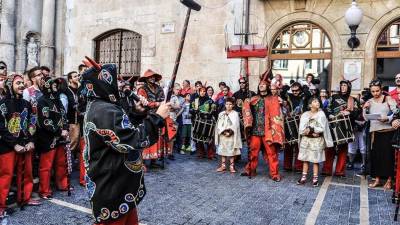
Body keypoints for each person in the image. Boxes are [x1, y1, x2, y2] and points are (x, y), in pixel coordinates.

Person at [81, 59, 170, 225]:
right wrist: (157, 117)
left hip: (121, 184)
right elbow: (130, 141)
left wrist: (136, 113)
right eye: (115, 80)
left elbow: (123, 129)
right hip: (112, 185)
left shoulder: (105, 105)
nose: (120, 84)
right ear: (104, 81)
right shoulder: (103, 110)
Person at [0, 74, 41, 218]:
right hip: (7, 147)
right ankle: (1, 206)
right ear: (10, 84)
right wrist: (14, 144)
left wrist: (31, 141)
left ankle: (25, 198)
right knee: (5, 176)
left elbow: (32, 123)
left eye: (23, 83)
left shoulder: (26, 103)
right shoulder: (3, 104)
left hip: (25, 144)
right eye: (18, 83)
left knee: (26, 173)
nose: (21, 85)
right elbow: (2, 128)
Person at [240, 77, 284, 182]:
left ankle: (274, 174)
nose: (261, 85)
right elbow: (246, 108)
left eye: (263, 84)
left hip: (268, 131)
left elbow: (281, 110)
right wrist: (246, 102)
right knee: (253, 152)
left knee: (271, 153)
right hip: (255, 130)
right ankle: (250, 170)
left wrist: (282, 103)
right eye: (260, 84)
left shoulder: (273, 99)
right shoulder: (254, 99)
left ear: (267, 87)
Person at [36, 77, 69, 199]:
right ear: (47, 85)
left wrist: (65, 128)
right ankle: (44, 190)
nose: (56, 86)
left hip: (60, 137)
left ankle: (63, 184)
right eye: (53, 84)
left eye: (56, 84)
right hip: (47, 138)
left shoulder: (57, 99)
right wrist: (60, 131)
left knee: (61, 163)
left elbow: (63, 115)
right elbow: (45, 121)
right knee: (46, 166)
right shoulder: (42, 101)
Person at [322, 80, 360, 177]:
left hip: (346, 127)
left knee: (343, 149)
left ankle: (340, 171)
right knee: (330, 147)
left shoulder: (353, 100)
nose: (343, 87)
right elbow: (325, 107)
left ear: (349, 87)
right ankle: (327, 169)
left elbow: (358, 112)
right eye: (341, 85)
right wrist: (329, 114)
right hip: (332, 125)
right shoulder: (333, 97)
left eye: (345, 85)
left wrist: (350, 113)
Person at [364, 79, 396, 189]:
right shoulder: (370, 101)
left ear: (381, 89)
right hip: (375, 132)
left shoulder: (388, 99)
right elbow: (365, 118)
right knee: (376, 156)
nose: (375, 93)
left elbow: (396, 112)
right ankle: (377, 179)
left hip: (388, 132)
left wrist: (387, 118)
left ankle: (389, 180)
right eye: (373, 91)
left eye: (377, 91)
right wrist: (365, 109)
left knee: (388, 156)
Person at [297, 97, 333, 187]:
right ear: (310, 105)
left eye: (318, 101)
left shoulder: (321, 114)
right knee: (305, 159)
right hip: (306, 139)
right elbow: (302, 128)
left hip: (317, 141)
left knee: (315, 160)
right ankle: (303, 177)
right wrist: (307, 131)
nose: (317, 103)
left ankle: (315, 178)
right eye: (315, 101)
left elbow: (322, 127)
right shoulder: (305, 114)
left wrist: (312, 129)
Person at [137, 69, 170, 167]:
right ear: (146, 79)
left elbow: (162, 100)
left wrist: (162, 104)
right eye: (150, 77)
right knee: (146, 136)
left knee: (157, 137)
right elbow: (143, 102)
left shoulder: (159, 88)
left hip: (159, 116)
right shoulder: (142, 89)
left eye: (153, 77)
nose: (152, 78)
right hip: (147, 116)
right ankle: (142, 160)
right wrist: (156, 104)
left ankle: (154, 160)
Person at [281, 82, 307, 172]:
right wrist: (288, 86)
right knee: (288, 144)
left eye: (297, 90)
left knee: (299, 145)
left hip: (301, 122)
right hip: (290, 122)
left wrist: (303, 88)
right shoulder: (289, 96)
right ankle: (287, 165)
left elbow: (309, 93)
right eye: (293, 90)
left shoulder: (304, 97)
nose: (295, 92)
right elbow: (282, 92)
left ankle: (299, 166)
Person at [215, 97, 242, 173]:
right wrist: (223, 132)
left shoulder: (235, 114)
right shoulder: (221, 114)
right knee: (223, 150)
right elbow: (219, 125)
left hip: (231, 135)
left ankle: (231, 166)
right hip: (223, 135)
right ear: (225, 104)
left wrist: (229, 132)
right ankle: (223, 166)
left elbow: (235, 125)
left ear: (233, 105)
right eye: (227, 104)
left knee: (231, 151)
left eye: (230, 104)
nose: (228, 106)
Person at [190, 86, 217, 159]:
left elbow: (214, 110)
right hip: (198, 121)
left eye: (204, 91)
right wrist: (193, 110)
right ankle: (201, 153)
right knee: (198, 137)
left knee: (209, 138)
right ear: (198, 92)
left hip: (207, 122)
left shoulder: (210, 100)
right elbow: (191, 109)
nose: (202, 92)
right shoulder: (195, 100)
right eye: (201, 91)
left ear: (206, 92)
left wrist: (210, 113)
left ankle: (211, 154)